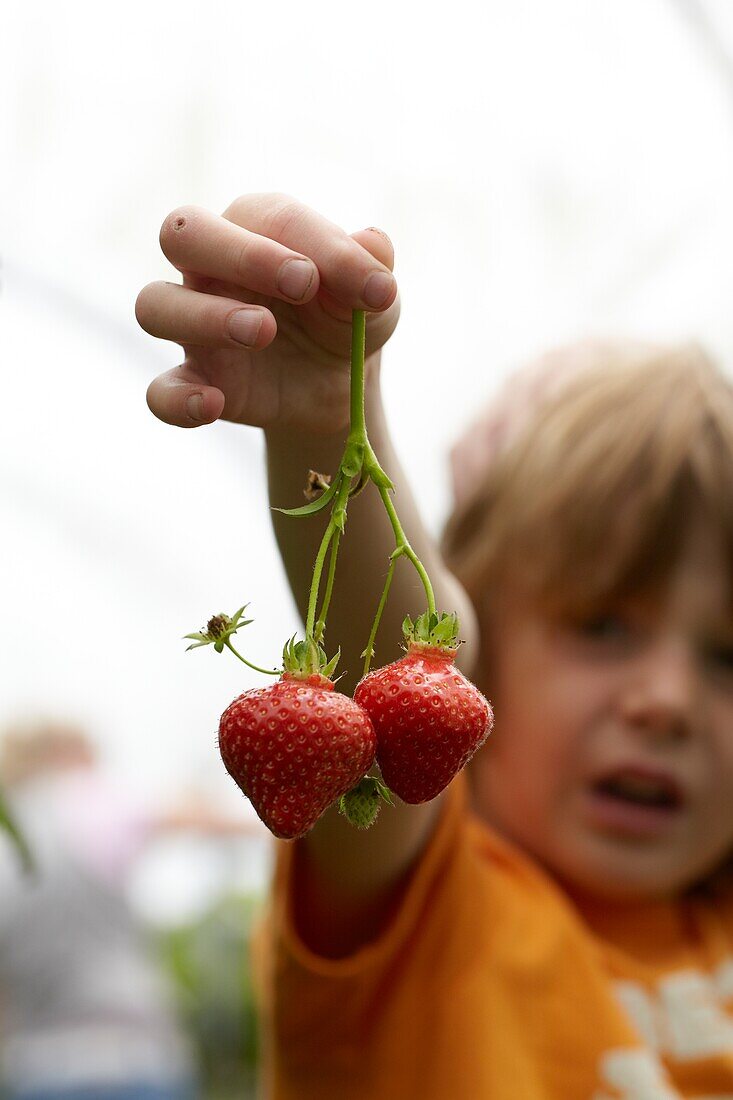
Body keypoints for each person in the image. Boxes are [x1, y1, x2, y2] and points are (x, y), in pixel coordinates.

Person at [136, 194, 733, 1099]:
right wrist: (328, 416)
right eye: (602, 626)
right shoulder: (429, 911)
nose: (667, 700)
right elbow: (398, 679)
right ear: (477, 630)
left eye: (727, 660)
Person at [0, 720, 263, 1100]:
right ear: (67, 754)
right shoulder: (88, 797)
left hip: (35, 1064)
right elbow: (190, 816)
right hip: (131, 1058)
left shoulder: (10, 831)